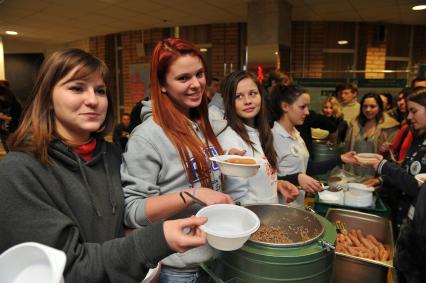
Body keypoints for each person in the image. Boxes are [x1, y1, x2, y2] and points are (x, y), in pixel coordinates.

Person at [0, 48, 209, 283]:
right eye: (77, 88)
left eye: (100, 91)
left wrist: (143, 255)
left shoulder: (111, 155)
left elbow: (119, 225)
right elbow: (67, 270)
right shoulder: (19, 171)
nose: (93, 100)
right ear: (47, 98)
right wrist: (155, 242)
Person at [121, 38, 233, 283]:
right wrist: (193, 193)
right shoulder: (147, 136)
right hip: (180, 271)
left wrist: (226, 160)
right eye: (183, 78)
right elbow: (132, 211)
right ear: (162, 85)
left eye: (199, 74)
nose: (196, 84)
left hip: (215, 259)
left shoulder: (204, 122)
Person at [363, 87, 426, 283]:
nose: (409, 116)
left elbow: (417, 187)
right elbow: (410, 172)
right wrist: (382, 180)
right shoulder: (418, 138)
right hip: (406, 226)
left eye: (414, 111)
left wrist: (382, 166)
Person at [216, 70, 299, 205]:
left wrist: (276, 185)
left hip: (268, 216)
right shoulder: (230, 139)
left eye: (252, 94)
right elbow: (236, 198)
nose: (248, 101)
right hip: (251, 221)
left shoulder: (260, 132)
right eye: (238, 96)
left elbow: (256, 180)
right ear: (229, 102)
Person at [270, 85, 357, 207]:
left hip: (296, 204)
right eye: (302, 107)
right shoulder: (272, 137)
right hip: (278, 205)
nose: (307, 112)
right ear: (285, 106)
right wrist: (297, 178)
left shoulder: (297, 135)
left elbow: (308, 167)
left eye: (308, 107)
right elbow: (265, 179)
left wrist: (340, 159)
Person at [344, 92, 399, 177]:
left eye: (372, 106)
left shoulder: (390, 126)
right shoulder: (354, 124)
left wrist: (388, 149)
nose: (368, 109)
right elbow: (347, 148)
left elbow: (394, 156)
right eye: (365, 106)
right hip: (353, 172)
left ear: (380, 107)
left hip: (376, 175)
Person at [0, 85, 22, 151]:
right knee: (7, 149)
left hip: (13, 131)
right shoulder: (1, 103)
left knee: (15, 149)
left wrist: (4, 117)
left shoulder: (16, 104)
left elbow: (18, 120)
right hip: (3, 132)